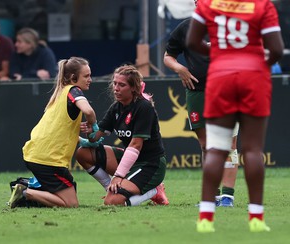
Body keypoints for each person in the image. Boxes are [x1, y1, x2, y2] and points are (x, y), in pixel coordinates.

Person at [186, 0, 284, 233]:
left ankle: (206, 218)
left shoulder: (208, 4)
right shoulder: (263, 5)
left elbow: (191, 42)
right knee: (252, 149)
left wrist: (221, 54)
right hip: (254, 78)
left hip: (221, 78)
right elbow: (277, 50)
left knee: (216, 148)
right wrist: (258, 64)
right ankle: (256, 218)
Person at [163, 3, 239, 207]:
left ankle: (227, 197)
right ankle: (212, 197)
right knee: (206, 145)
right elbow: (168, 57)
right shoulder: (185, 28)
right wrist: (180, 69)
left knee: (228, 145)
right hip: (196, 93)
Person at [7, 57, 97, 208]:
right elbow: (88, 111)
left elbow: (59, 130)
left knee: (68, 190)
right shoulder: (74, 90)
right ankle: (25, 191)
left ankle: (26, 186)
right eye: (86, 76)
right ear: (73, 78)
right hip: (48, 160)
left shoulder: (61, 93)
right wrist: (93, 125)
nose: (90, 79)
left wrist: (82, 140)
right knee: (71, 204)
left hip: (37, 155)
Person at [75, 65, 167, 206]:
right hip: (131, 161)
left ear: (133, 88)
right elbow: (95, 137)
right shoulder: (116, 108)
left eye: (122, 85)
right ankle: (110, 189)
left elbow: (136, 144)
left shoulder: (144, 107)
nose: (116, 88)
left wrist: (118, 176)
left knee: (112, 202)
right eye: (115, 83)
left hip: (150, 164)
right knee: (83, 154)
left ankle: (154, 190)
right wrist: (89, 131)